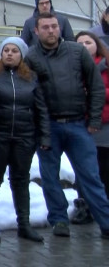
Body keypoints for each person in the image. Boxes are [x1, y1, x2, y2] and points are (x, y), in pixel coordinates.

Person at [25, 13, 109, 239]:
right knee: (50, 177)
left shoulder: (77, 51)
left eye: (54, 26)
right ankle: (59, 221)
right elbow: (30, 94)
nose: (51, 30)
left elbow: (96, 86)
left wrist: (93, 120)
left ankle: (106, 222)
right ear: (36, 30)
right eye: (46, 27)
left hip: (78, 124)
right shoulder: (31, 57)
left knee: (91, 177)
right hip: (48, 127)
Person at [0, 37, 50, 243]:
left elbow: (41, 109)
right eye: (6, 50)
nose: (9, 54)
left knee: (20, 180)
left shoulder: (31, 78)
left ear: (22, 55)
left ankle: (24, 225)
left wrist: (44, 135)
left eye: (15, 51)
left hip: (24, 136)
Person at [68, 31, 109, 225]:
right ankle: (84, 207)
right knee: (84, 169)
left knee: (104, 168)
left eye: (88, 42)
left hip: (105, 125)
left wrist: (95, 92)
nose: (84, 46)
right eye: (80, 43)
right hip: (81, 123)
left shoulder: (106, 65)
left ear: (97, 45)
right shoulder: (72, 66)